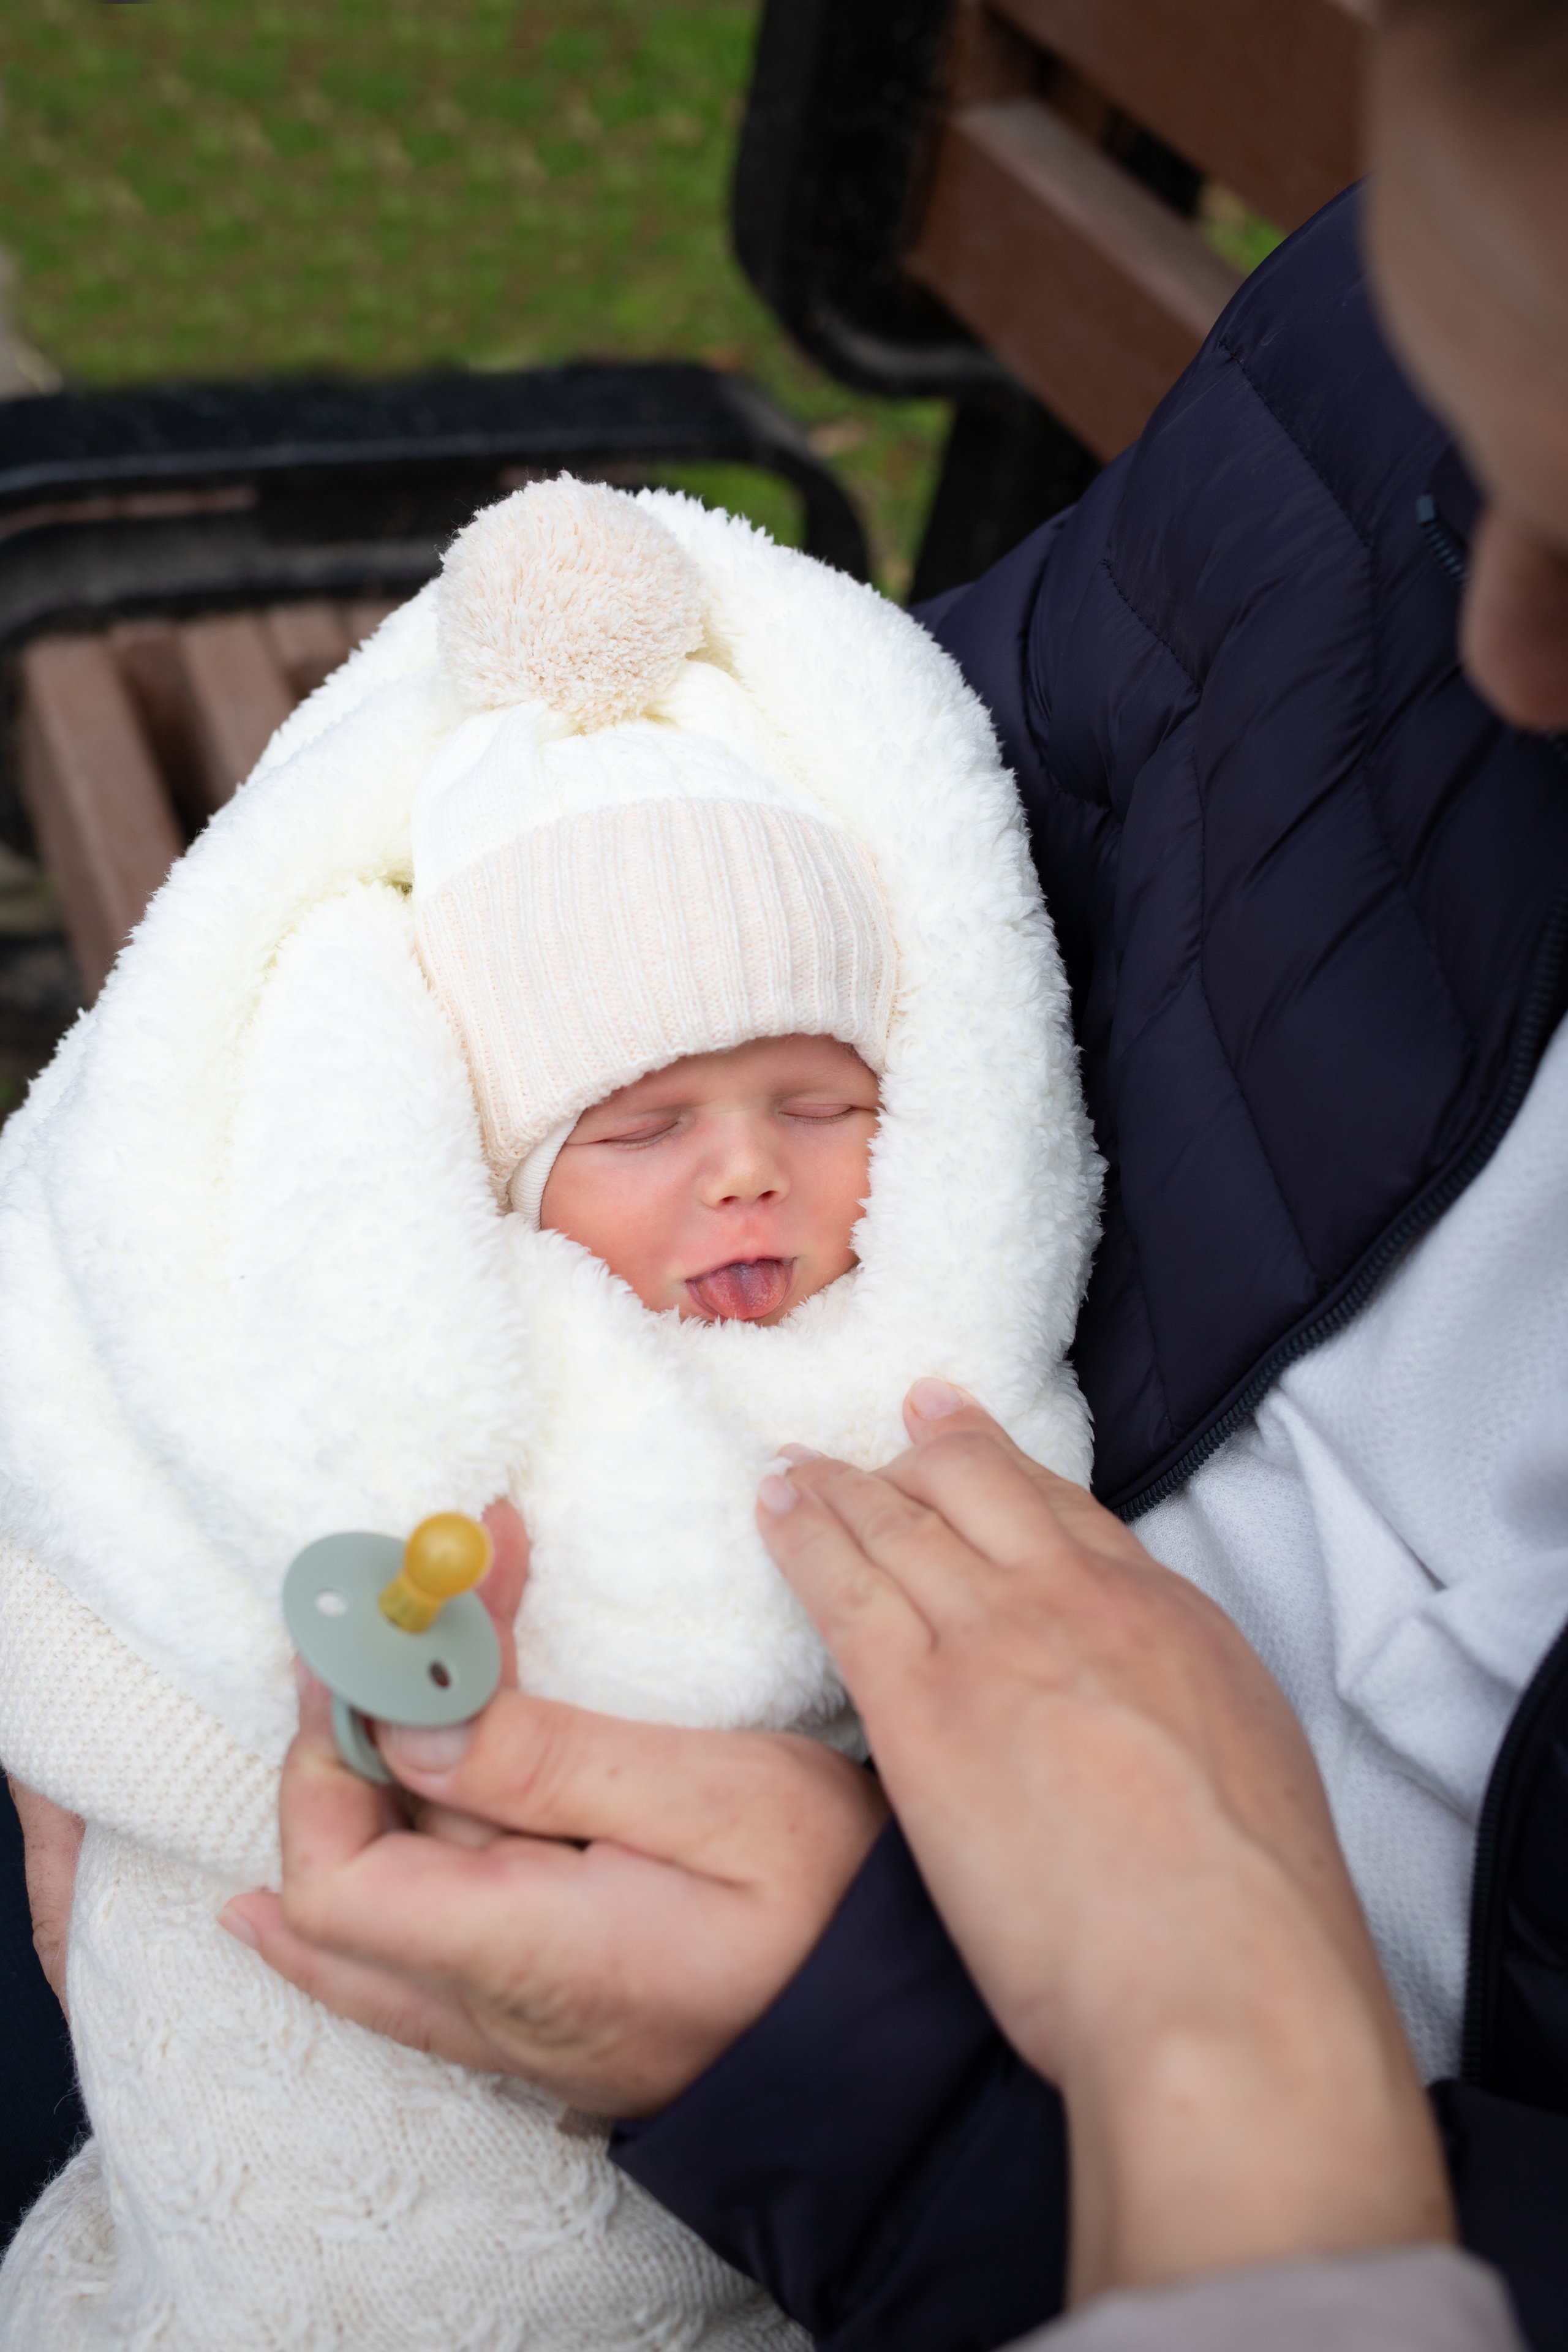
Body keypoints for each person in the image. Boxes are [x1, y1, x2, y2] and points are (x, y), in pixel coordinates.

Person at [11, 0, 1568, 2337]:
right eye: (1493, 453)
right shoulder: (1447, 301)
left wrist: (909, 2082)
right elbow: (887, 794)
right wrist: (125, 1515)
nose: (1512, 650)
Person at [0, 475, 1099, 2342]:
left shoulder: (930, 1400)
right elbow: (127, 1499)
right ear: (504, 1167)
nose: (746, 1176)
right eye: (646, 1129)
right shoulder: (412, 1331)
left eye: (820, 1104)